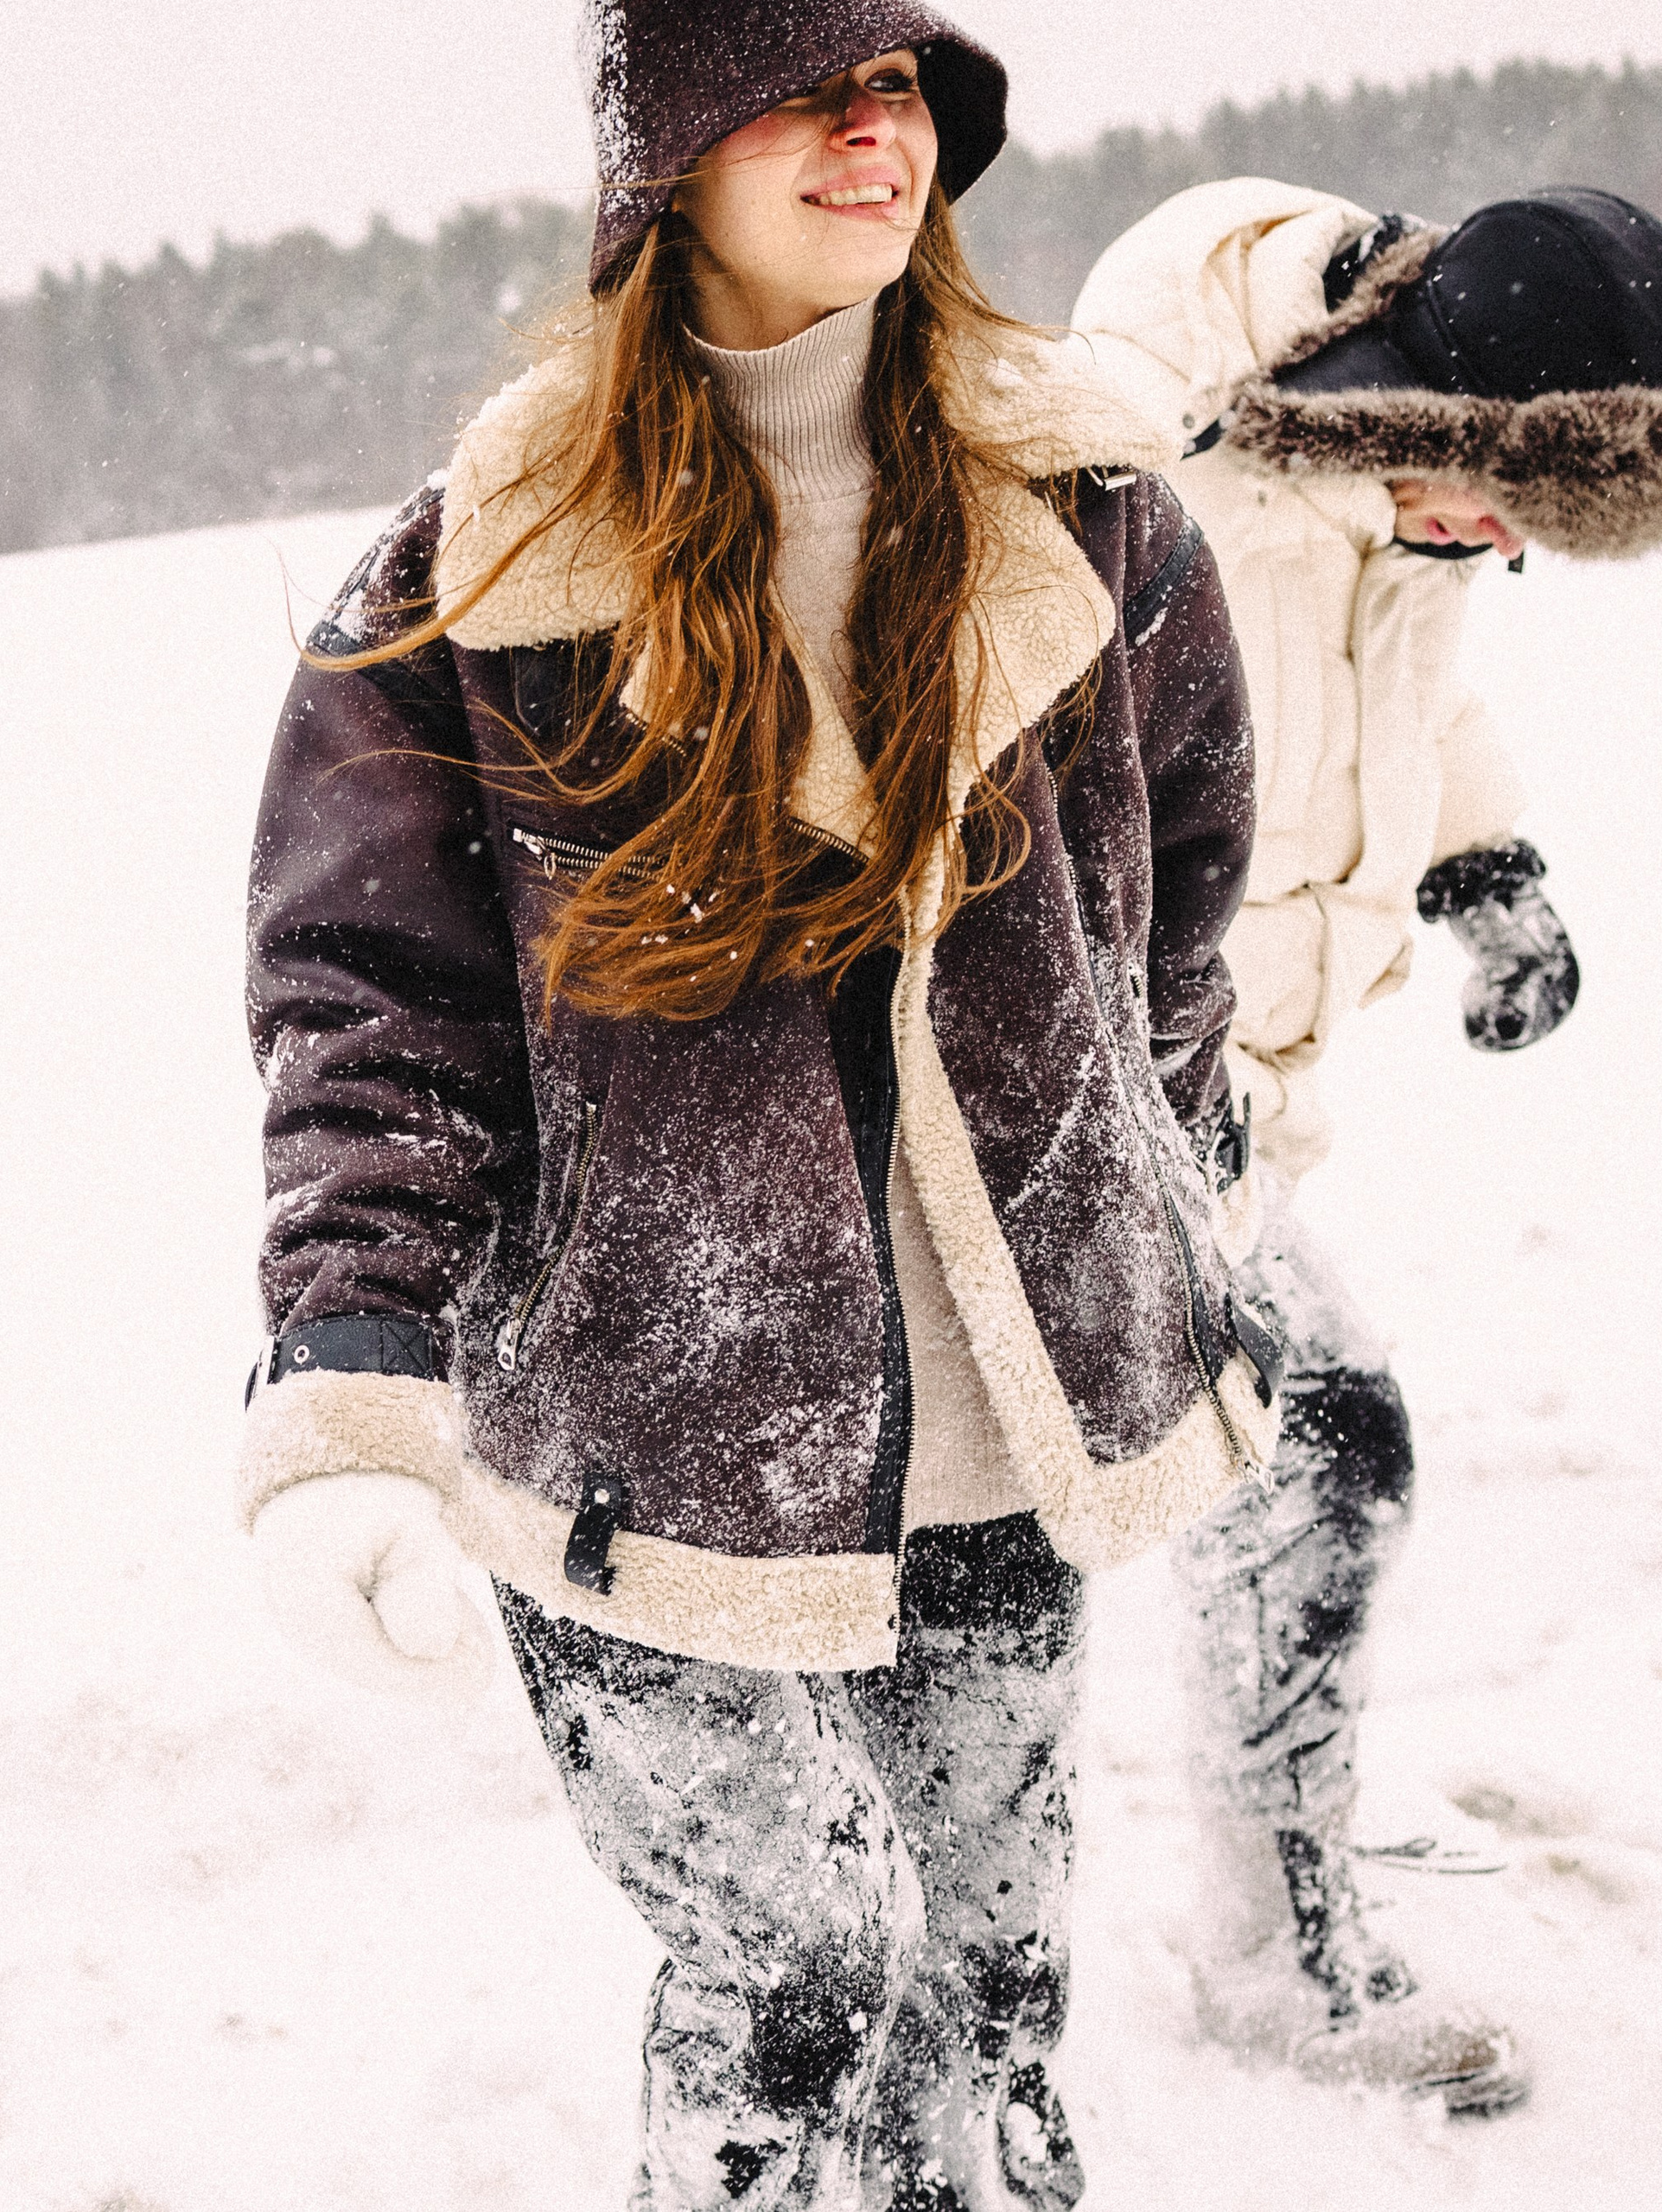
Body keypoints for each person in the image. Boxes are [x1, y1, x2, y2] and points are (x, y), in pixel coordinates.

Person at [240, 7, 1278, 2202]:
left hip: (1010, 1407)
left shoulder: (1087, 507)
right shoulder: (479, 572)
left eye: (900, 87)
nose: (870, 130)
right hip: (655, 1426)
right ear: (666, 158)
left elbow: (1184, 880)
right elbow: (368, 1009)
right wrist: (351, 1365)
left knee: (992, 1988)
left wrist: (1153, 1161)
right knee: (798, 1970)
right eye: (809, 86)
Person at [1072, 179, 1662, 2113]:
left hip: (1225, 1097)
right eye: (1502, 503)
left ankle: (1247, 1908)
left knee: (1261, 1480)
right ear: (1404, 406)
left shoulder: (1385, 496)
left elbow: (1408, 685)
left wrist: (1481, 862)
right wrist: (1146, 1075)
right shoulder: (1144, 483)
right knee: (1306, 1462)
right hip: (1089, 1106)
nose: (1501, 547)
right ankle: (1258, 1960)